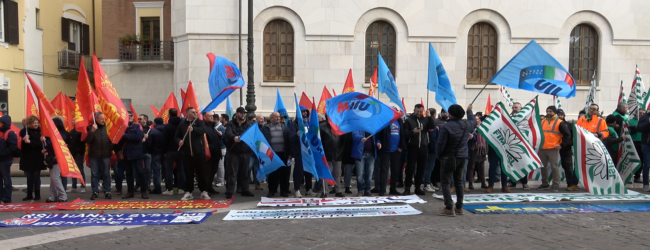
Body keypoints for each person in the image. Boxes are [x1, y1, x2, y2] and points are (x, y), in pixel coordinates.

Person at [436, 104, 476, 216]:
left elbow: (440, 144)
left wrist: (439, 156)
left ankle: (449, 208)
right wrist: (469, 111)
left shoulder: (447, 127)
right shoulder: (467, 124)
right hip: (462, 156)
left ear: (451, 114)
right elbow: (473, 120)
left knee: (445, 182)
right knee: (459, 182)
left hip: (448, 157)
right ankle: (459, 207)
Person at [175, 107, 210, 200]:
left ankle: (204, 191)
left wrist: (193, 129)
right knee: (188, 173)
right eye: (193, 112)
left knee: (201, 173)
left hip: (199, 152)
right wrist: (179, 141)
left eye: (196, 112)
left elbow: (203, 131)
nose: (195, 113)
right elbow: (177, 136)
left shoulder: (200, 122)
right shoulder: (182, 124)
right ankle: (188, 191)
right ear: (187, 113)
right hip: (186, 153)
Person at [403, 104, 436, 195]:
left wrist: (429, 117)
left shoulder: (425, 119)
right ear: (414, 110)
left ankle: (418, 187)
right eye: (417, 111)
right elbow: (405, 135)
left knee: (421, 168)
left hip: (424, 147)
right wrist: (413, 131)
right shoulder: (409, 121)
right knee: (410, 168)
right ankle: (407, 187)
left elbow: (432, 127)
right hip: (412, 147)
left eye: (421, 112)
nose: (419, 113)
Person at [538, 106, 572, 192]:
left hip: (553, 148)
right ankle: (545, 183)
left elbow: (567, 135)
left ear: (554, 112)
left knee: (554, 167)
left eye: (550, 111)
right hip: (543, 147)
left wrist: (562, 145)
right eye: (547, 111)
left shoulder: (560, 122)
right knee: (543, 167)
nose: (548, 113)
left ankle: (555, 184)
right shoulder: (542, 121)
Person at [224, 107, 255, 198]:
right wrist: (234, 137)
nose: (243, 115)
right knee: (232, 173)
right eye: (241, 113)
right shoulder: (230, 124)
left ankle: (245, 189)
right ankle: (230, 191)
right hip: (234, 152)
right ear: (237, 113)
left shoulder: (248, 124)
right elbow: (228, 133)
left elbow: (251, 135)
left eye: (244, 113)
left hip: (245, 152)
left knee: (245, 172)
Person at [262, 112, 292, 197]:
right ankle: (272, 190)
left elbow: (289, 142)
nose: (278, 118)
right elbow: (263, 141)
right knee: (272, 174)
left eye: (279, 117)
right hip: (272, 155)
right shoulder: (266, 128)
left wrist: (290, 154)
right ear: (271, 118)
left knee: (284, 173)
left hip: (284, 154)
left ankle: (284, 191)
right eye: (276, 117)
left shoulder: (285, 127)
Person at [85, 112, 113, 200]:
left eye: (104, 118)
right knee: (94, 174)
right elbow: (87, 141)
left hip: (106, 154)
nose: (103, 120)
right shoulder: (90, 127)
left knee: (106, 173)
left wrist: (111, 148)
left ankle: (107, 191)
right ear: (96, 119)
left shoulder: (108, 127)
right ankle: (95, 191)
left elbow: (113, 140)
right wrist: (92, 131)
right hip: (94, 155)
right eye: (101, 119)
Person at [119, 111, 146, 199]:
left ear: (133, 117)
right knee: (129, 174)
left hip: (137, 153)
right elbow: (120, 139)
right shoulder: (123, 127)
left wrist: (125, 135)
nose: (129, 117)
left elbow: (138, 137)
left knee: (140, 173)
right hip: (127, 154)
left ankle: (144, 191)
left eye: (130, 116)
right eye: (127, 116)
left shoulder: (137, 126)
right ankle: (130, 192)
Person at [376, 115, 406, 196]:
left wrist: (401, 146)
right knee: (384, 170)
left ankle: (393, 189)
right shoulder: (384, 121)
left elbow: (402, 134)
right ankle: (382, 189)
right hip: (386, 150)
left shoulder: (399, 121)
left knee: (395, 170)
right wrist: (378, 142)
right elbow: (378, 135)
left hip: (396, 150)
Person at [288, 106, 314, 198]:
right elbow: (290, 138)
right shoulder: (294, 124)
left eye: (306, 111)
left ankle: (308, 189)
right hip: (299, 151)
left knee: (309, 171)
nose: (304, 113)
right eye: (302, 112)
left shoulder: (309, 124)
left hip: (309, 152)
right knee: (299, 171)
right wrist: (296, 135)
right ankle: (297, 190)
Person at [43, 117, 69, 202]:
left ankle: (62, 195)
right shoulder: (52, 134)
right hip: (52, 158)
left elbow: (55, 144)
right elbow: (49, 146)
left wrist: (46, 141)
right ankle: (52, 196)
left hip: (58, 158)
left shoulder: (61, 134)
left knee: (55, 177)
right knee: (53, 178)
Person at [162, 108, 185, 195]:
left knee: (169, 170)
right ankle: (180, 189)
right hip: (181, 150)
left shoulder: (167, 126)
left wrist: (164, 151)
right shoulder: (182, 125)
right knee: (181, 170)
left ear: (169, 115)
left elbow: (164, 140)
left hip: (170, 151)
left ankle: (169, 189)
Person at [202, 111, 222, 196]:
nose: (212, 117)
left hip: (216, 154)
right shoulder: (203, 127)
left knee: (213, 172)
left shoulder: (213, 127)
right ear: (204, 117)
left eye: (212, 116)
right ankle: (205, 189)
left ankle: (209, 187)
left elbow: (215, 140)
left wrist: (219, 136)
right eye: (209, 116)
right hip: (209, 154)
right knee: (207, 172)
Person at [0, 115, 17, 203]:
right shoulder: (1, 133)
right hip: (2, 159)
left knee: (6, 178)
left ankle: (6, 197)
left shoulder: (10, 133)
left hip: (5, 160)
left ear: (5, 123)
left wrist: (3, 154)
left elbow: (12, 147)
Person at [467, 115, 488, 190]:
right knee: (471, 167)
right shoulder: (471, 128)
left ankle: (483, 183)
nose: (478, 120)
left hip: (481, 149)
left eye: (478, 119)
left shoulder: (483, 128)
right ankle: (470, 183)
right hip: (473, 149)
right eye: (475, 119)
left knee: (481, 167)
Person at [67, 121, 86, 193]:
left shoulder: (81, 132)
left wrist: (81, 152)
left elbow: (83, 144)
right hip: (72, 153)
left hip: (78, 153)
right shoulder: (71, 132)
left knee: (80, 170)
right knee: (73, 170)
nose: (74, 122)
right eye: (73, 121)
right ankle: (74, 186)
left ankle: (83, 186)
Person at [148, 117, 165, 194]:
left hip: (155, 153)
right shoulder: (166, 130)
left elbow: (150, 143)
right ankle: (169, 188)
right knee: (167, 171)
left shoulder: (153, 131)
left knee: (156, 171)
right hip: (165, 153)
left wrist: (150, 151)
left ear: (155, 123)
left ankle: (157, 188)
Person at [423, 108, 439, 192]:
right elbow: (432, 138)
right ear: (434, 115)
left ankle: (429, 182)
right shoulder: (430, 124)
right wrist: (434, 149)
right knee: (429, 167)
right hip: (431, 149)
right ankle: (427, 184)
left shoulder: (430, 123)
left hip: (430, 148)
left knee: (430, 167)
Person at [250, 114, 265, 190]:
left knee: (258, 167)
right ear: (257, 119)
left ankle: (257, 183)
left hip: (260, 151)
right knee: (248, 167)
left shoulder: (264, 128)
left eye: (263, 119)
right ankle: (246, 183)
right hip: (252, 151)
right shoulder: (252, 127)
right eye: (261, 119)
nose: (262, 120)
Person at [138, 114, 152, 193]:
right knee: (139, 170)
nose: (138, 120)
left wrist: (148, 137)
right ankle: (139, 184)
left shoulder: (149, 129)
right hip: (138, 152)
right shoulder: (136, 128)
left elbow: (153, 140)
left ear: (145, 120)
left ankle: (147, 184)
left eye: (140, 119)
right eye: (138, 119)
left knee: (148, 169)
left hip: (147, 152)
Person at [630, 109, 645, 183]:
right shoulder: (631, 121)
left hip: (643, 142)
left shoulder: (646, 121)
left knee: (642, 160)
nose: (641, 114)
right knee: (634, 160)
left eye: (643, 113)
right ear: (636, 113)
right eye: (639, 113)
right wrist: (635, 128)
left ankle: (637, 176)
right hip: (634, 142)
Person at [637, 110, 650, 191]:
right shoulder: (645, 117)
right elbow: (639, 129)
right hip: (647, 145)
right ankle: (646, 184)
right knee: (647, 164)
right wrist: (648, 123)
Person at [215, 114, 228, 187]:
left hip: (222, 148)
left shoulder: (221, 127)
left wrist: (221, 135)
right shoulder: (216, 127)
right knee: (218, 165)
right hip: (218, 148)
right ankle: (218, 179)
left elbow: (224, 136)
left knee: (220, 165)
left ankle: (221, 180)